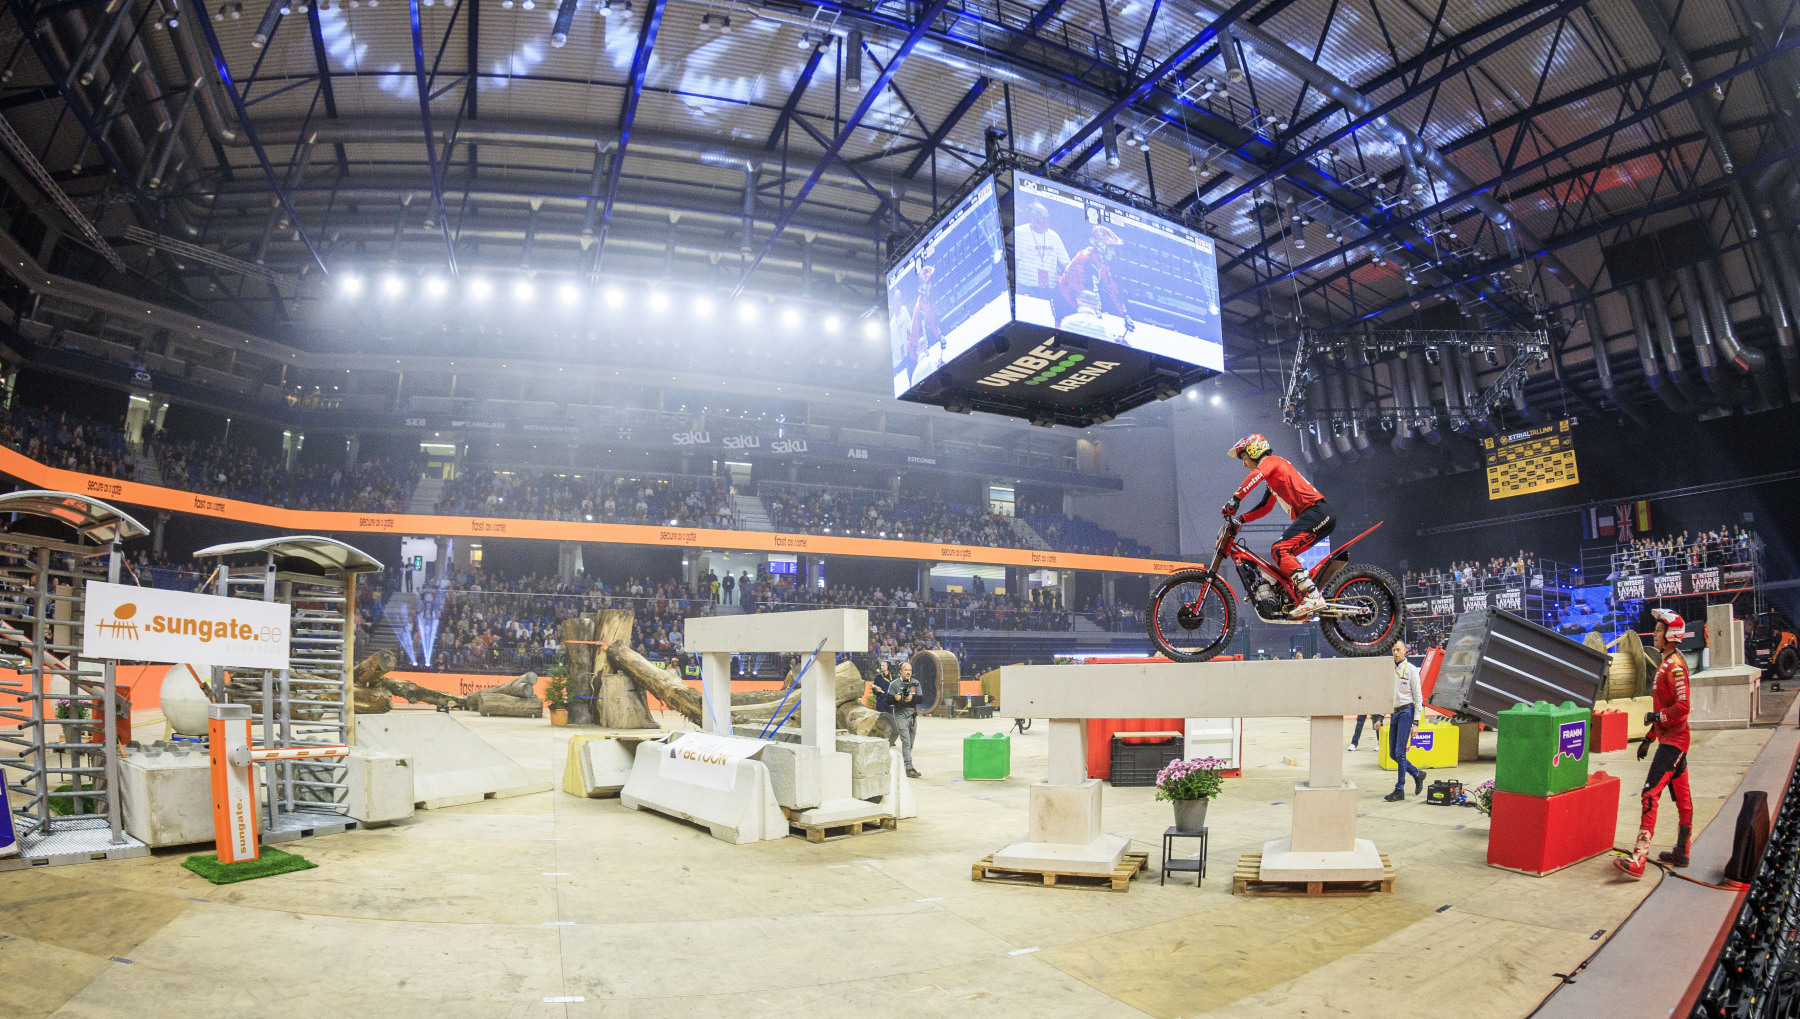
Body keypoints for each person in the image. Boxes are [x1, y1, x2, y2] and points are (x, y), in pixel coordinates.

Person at [1222, 433, 1335, 618]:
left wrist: (1235, 499)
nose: (1244, 464)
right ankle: (1279, 591)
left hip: (1316, 512)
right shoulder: (1272, 477)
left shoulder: (1271, 462)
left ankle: (1313, 596)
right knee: (1282, 557)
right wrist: (1240, 519)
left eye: (1244, 458)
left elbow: (1256, 475)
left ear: (1254, 451)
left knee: (1279, 549)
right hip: (1315, 515)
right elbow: (1265, 508)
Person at [1618, 608, 1695, 878]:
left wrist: (1657, 718)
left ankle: (1639, 859)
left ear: (1671, 635)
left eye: (1660, 630)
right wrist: (1649, 738)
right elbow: (1664, 708)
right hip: (1671, 739)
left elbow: (1682, 707)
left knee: (1649, 795)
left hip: (1674, 743)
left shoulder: (1675, 667)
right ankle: (1682, 852)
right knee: (1683, 800)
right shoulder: (1666, 663)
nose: (1655, 633)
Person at [1053, 224, 1135, 334]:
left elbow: (1111, 288)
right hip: (1064, 300)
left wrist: (1125, 314)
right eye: (1111, 248)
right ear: (1101, 245)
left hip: (1075, 300)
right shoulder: (1087, 259)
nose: (1114, 253)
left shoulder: (1101, 262)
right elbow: (1092, 291)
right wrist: (1099, 321)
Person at [1384, 639, 1426, 801]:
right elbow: (1387, 695)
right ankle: (1416, 773)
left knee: (1400, 752)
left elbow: (1418, 697)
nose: (1395, 653)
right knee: (1393, 754)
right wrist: (1380, 716)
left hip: (1406, 712)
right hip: (1394, 713)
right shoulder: (1390, 670)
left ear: (1405, 651)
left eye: (1398, 650)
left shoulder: (1411, 670)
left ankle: (1399, 789)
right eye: (1394, 650)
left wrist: (1416, 722)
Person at [1016, 200, 1070, 298]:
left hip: (1048, 290)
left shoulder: (1054, 236)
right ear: (1032, 217)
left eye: (1047, 218)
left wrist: (1063, 278)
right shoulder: (1019, 233)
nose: (1045, 221)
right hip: (1024, 288)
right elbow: (1014, 262)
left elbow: (1066, 264)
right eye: (1042, 217)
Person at [889, 661, 923, 779]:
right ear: (900, 671)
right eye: (906, 670)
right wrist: (896, 698)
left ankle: (905, 764)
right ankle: (909, 768)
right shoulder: (894, 684)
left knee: (910, 743)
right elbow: (888, 700)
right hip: (900, 716)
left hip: (912, 716)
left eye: (909, 670)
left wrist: (911, 698)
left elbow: (920, 699)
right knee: (906, 742)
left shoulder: (915, 683)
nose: (908, 672)